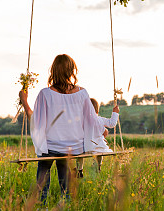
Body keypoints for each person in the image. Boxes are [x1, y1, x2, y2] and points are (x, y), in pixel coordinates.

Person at [19, 54, 105, 204]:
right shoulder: (82, 94)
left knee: (43, 177)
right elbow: (92, 120)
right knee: (66, 187)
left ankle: (41, 205)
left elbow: (36, 122)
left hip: (50, 147)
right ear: (72, 70)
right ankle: (66, 204)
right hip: (73, 147)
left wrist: (25, 102)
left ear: (53, 71)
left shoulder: (45, 94)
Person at [75, 98, 119, 177]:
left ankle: (79, 170)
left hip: (86, 148)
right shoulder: (100, 120)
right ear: (97, 111)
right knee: (100, 152)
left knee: (79, 152)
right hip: (99, 147)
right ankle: (98, 166)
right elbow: (112, 124)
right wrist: (115, 113)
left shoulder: (81, 121)